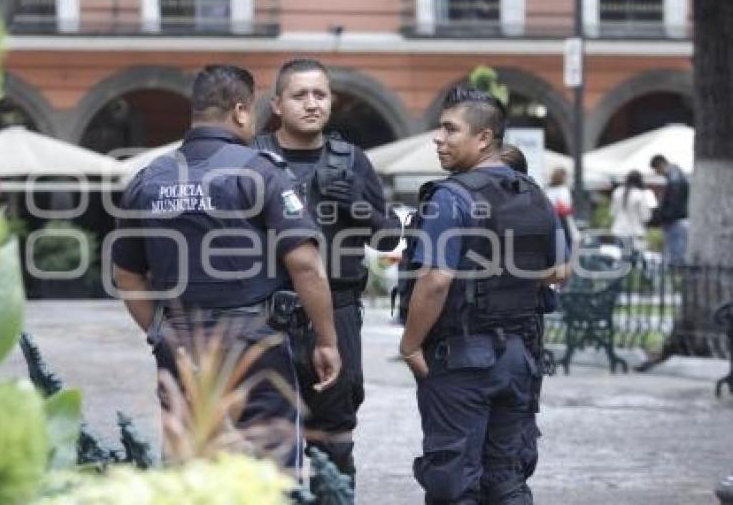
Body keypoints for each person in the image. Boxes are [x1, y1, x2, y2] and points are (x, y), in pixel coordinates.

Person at [110, 64, 341, 469]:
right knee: (271, 469)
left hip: (181, 347)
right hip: (254, 346)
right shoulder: (261, 171)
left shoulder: (148, 179)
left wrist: (160, 329)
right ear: (240, 111)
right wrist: (327, 342)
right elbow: (306, 266)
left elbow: (126, 275)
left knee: (190, 465)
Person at [399, 86, 569, 504]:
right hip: (520, 357)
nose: (438, 138)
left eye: (449, 129)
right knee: (507, 480)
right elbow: (561, 270)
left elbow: (436, 279)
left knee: (454, 484)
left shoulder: (450, 197)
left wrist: (410, 344)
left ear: (484, 138)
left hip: (461, 360)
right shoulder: (534, 194)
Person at [252, 58, 400, 485]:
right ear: (278, 104)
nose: (312, 104)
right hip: (266, 314)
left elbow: (389, 240)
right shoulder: (251, 158)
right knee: (266, 441)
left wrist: (360, 206)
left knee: (335, 439)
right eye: (300, 95)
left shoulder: (352, 161)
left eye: (320, 94)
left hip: (337, 310)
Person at [649, 154, 689, 263]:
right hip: (676, 220)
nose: (657, 173)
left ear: (660, 165)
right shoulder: (676, 176)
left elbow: (673, 203)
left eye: (656, 170)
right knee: (675, 252)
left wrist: (662, 216)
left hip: (675, 221)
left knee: (676, 254)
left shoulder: (675, 179)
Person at [610, 170, 657, 253]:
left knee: (622, 258)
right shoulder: (639, 194)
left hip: (618, 230)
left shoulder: (617, 192)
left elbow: (613, 212)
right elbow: (645, 216)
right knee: (634, 258)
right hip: (635, 231)